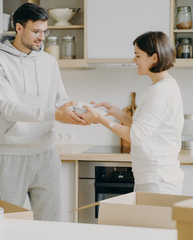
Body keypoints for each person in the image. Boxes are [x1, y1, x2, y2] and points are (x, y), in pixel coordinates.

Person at [0, 3, 86, 221]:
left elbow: (61, 101)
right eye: (36, 31)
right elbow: (9, 108)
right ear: (19, 28)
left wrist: (81, 111)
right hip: (11, 155)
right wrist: (56, 113)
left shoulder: (49, 61)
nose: (42, 37)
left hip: (46, 154)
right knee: (8, 225)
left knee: (51, 225)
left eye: (45, 31)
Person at [77, 31, 185, 195]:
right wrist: (117, 112)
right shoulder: (160, 87)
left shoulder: (162, 91)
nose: (134, 60)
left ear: (154, 58)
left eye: (138, 55)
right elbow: (143, 128)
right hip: (153, 176)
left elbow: (135, 135)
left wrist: (99, 118)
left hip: (158, 179)